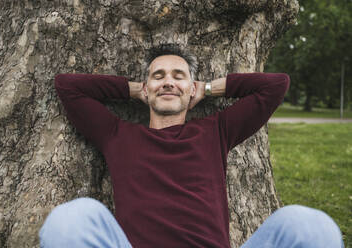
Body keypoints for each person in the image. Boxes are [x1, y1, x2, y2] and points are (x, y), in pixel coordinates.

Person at [39, 44, 344, 248]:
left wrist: (209, 88)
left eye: (178, 76)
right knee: (72, 219)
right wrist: (137, 90)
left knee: (311, 226)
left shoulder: (216, 130)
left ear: (191, 88)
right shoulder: (116, 134)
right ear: (147, 87)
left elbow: (276, 85)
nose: (168, 82)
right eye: (158, 76)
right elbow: (68, 85)